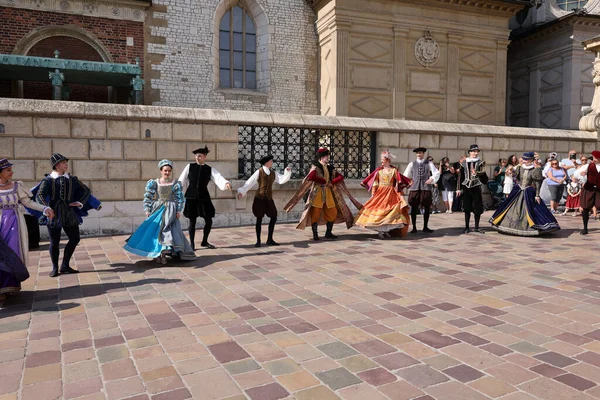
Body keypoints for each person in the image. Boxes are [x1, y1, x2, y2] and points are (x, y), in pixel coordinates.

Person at [31, 153, 101, 277]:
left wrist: (79, 202)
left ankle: (65, 265)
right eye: (63, 162)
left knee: (75, 238)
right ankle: (55, 268)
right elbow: (39, 195)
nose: (66, 164)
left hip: (69, 213)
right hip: (54, 214)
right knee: (55, 242)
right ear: (56, 165)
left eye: (66, 162)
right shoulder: (48, 180)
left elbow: (86, 191)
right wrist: (46, 208)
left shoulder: (72, 179)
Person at [0, 159, 54, 298]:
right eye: (8, 170)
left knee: (14, 253)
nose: (12, 172)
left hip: (15, 225)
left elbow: (28, 202)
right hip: (0, 224)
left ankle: (10, 284)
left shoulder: (17, 186)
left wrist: (44, 208)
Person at [125, 160, 195, 263]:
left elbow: (179, 198)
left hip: (171, 209)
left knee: (169, 230)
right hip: (158, 209)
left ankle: (165, 253)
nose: (167, 173)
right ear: (161, 171)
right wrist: (148, 210)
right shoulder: (155, 183)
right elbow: (148, 197)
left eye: (169, 171)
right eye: (165, 171)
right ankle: (157, 254)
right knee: (157, 231)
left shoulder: (175, 183)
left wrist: (179, 210)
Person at [284, 147, 360, 240]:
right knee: (315, 213)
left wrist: (333, 181)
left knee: (333, 212)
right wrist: (323, 181)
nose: (327, 158)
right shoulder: (316, 166)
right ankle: (315, 234)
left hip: (328, 192)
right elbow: (311, 176)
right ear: (321, 157)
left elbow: (340, 177)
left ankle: (328, 233)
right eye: (326, 156)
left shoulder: (329, 167)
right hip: (317, 192)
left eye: (327, 156)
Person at [490, 152, 560, 236]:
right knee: (510, 207)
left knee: (532, 209)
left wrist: (537, 195)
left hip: (528, 191)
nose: (524, 161)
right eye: (524, 159)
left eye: (526, 159)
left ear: (531, 160)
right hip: (518, 190)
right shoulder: (520, 168)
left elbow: (538, 183)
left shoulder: (535, 169)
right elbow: (516, 177)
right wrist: (511, 171)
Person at [178, 146, 232, 249]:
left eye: (199, 156)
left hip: (204, 197)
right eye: (196, 156)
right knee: (192, 221)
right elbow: (181, 179)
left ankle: (204, 241)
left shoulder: (209, 169)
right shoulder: (189, 166)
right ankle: (192, 244)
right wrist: (176, 189)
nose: (197, 158)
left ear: (205, 157)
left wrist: (226, 183)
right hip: (191, 197)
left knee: (209, 220)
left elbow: (218, 177)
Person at [237, 155, 292, 247]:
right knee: (259, 219)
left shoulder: (273, 173)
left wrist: (287, 172)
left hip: (269, 199)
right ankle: (258, 240)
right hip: (259, 199)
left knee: (274, 216)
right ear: (266, 163)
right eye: (271, 161)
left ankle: (270, 239)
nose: (272, 162)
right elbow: (250, 182)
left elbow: (281, 180)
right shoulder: (259, 172)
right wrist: (242, 191)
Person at [354, 150, 411, 238]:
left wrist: (400, 194)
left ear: (387, 160)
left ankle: (386, 230)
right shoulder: (379, 171)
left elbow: (397, 183)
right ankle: (380, 231)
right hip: (380, 193)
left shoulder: (394, 171)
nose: (381, 161)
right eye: (381, 160)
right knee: (379, 212)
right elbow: (375, 183)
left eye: (383, 159)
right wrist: (373, 195)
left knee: (390, 211)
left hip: (391, 194)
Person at [403, 147, 440, 233]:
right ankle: (414, 228)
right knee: (413, 206)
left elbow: (436, 173)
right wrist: (408, 183)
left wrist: (431, 179)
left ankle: (425, 227)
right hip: (415, 188)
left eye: (420, 153)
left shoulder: (429, 163)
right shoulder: (412, 164)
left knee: (427, 207)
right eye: (418, 153)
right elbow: (405, 175)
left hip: (425, 188)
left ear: (423, 154)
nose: (419, 154)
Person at [456, 145, 488, 234]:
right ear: (469, 152)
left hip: (476, 187)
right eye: (474, 151)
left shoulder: (481, 163)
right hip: (466, 187)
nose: (476, 153)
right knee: (467, 207)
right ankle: (466, 227)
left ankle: (477, 227)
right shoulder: (463, 163)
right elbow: (460, 177)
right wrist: (458, 189)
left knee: (477, 207)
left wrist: (478, 173)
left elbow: (485, 178)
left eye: (477, 151)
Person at [573, 150, 600, 235]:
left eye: (597, 158)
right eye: (594, 157)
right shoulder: (588, 166)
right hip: (588, 188)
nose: (595, 159)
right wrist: (582, 175)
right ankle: (585, 228)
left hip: (599, 190)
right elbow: (576, 174)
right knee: (585, 208)